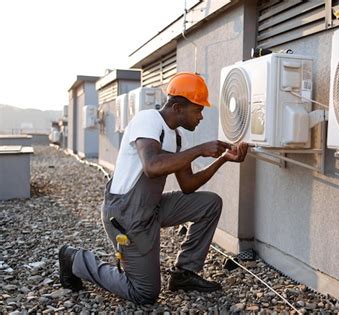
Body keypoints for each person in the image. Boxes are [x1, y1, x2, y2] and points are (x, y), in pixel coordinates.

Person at [58, 72, 248, 305]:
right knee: (144, 293)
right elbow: (151, 166)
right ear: (178, 107)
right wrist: (199, 150)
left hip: (152, 207)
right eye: (198, 110)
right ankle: (74, 259)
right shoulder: (148, 120)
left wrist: (223, 159)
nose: (200, 117)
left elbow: (188, 186)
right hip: (126, 214)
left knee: (209, 203)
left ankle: (184, 273)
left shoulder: (178, 139)